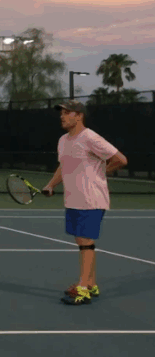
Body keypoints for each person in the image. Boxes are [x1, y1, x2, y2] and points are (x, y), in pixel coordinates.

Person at [41, 100, 128, 306]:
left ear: (79, 116)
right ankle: (90, 283)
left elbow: (121, 159)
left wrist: (102, 172)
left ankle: (83, 288)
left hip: (91, 198)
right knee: (83, 242)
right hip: (73, 198)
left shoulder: (90, 137)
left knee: (84, 242)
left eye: (67, 113)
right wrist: (51, 184)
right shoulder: (63, 140)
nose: (62, 116)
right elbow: (63, 166)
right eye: (61, 113)